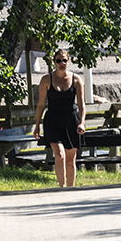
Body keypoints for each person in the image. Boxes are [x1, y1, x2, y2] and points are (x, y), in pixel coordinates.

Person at [33, 47, 86, 188]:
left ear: (68, 61)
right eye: (58, 61)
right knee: (60, 155)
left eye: (64, 60)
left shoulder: (76, 79)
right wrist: (37, 125)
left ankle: (70, 188)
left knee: (70, 159)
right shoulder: (46, 79)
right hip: (53, 120)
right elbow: (40, 104)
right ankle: (61, 187)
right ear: (54, 62)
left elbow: (81, 104)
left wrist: (82, 122)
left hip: (71, 120)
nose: (61, 63)